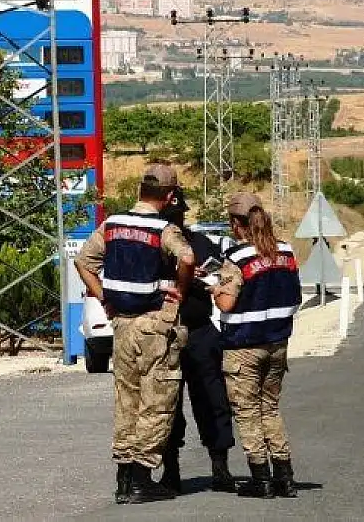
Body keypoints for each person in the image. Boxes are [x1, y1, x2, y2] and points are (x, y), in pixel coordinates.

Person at [74, 164, 196, 504]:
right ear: (170, 197)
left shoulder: (111, 224)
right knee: (156, 402)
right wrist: (181, 291)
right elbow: (187, 257)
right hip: (154, 325)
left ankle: (124, 479)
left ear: (140, 191)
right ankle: (143, 478)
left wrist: (104, 298)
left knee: (126, 400)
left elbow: (83, 263)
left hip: (122, 326)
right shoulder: (163, 228)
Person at [208, 192, 303, 498]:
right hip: (277, 343)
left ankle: (260, 478)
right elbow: (295, 297)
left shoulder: (237, 258)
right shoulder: (287, 253)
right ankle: (284, 476)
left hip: (243, 347)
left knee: (248, 412)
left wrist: (213, 288)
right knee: (271, 409)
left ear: (237, 225)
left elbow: (226, 303)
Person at [156, 187, 237, 494]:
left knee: (213, 401)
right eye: (170, 217)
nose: (175, 222)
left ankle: (221, 469)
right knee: (167, 406)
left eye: (178, 217)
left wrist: (208, 278)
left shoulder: (200, 243)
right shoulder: (154, 248)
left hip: (201, 330)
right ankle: (171, 471)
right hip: (165, 334)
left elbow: (226, 276)